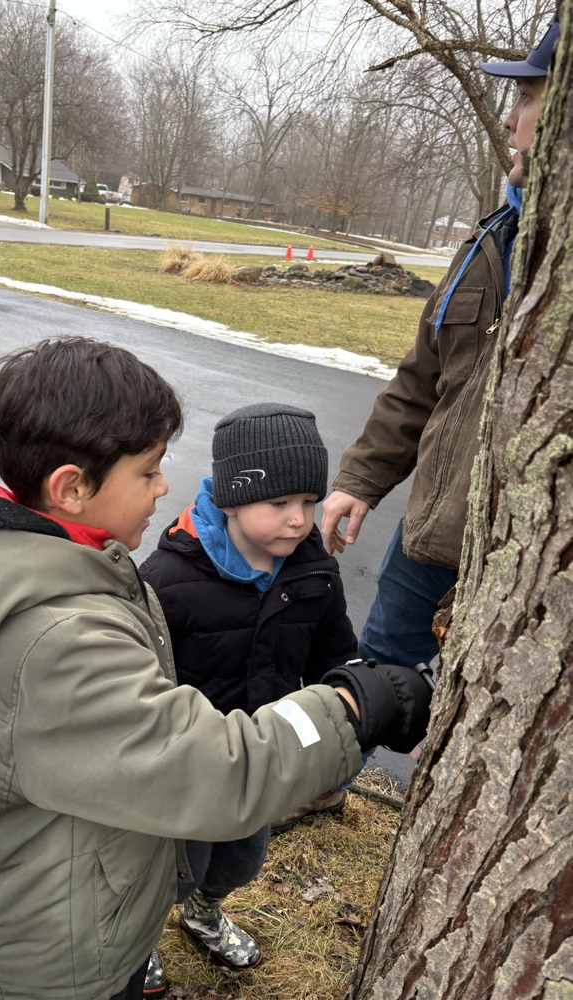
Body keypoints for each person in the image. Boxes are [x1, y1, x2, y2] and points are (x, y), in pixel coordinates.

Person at [0, 336, 432, 1000]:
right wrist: (347, 707)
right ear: (71, 487)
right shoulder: (55, 639)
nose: (166, 485)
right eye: (148, 471)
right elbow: (212, 770)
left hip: (82, 883)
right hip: (60, 956)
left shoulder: (54, 563)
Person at [320, 17, 559, 668]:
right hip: (432, 534)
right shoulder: (488, 242)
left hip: (537, 561)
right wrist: (362, 479)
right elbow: (421, 381)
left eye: (531, 98)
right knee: (378, 679)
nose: (511, 121)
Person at [139, 403, 357, 995]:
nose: (299, 520)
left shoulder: (314, 573)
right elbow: (139, 679)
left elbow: (334, 653)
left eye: (310, 503)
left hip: (264, 757)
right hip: (184, 763)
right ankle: (137, 941)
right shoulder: (167, 580)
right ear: (232, 500)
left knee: (240, 858)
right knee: (171, 867)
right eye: (279, 504)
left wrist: (352, 695)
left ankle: (204, 912)